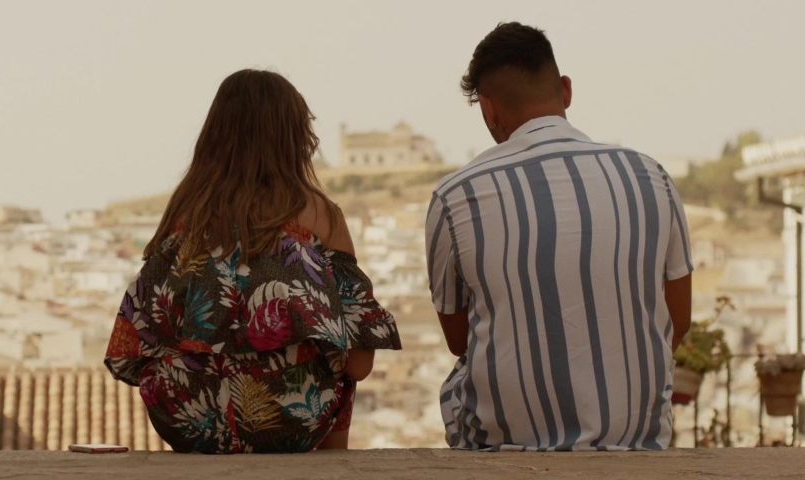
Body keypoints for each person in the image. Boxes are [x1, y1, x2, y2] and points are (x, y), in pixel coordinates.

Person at [426, 23, 693, 451]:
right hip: (637, 443)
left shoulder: (456, 196)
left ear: (489, 110)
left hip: (506, 449)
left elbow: (459, 340)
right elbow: (678, 320)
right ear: (566, 90)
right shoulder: (650, 176)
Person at [105, 69, 401, 454]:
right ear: (294, 136)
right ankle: (333, 462)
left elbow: (141, 337)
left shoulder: (184, 215)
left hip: (187, 422)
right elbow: (359, 364)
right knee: (336, 350)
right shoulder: (319, 215)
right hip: (291, 425)